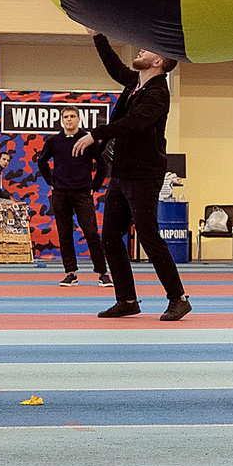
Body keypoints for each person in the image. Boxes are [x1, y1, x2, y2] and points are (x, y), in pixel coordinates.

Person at [83, 32, 189, 321]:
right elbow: (113, 66)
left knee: (149, 236)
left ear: (157, 62)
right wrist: (98, 37)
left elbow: (134, 123)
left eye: (147, 50)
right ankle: (127, 299)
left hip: (144, 174)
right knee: (110, 238)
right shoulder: (134, 83)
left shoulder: (158, 94)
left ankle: (178, 298)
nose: (140, 50)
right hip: (122, 173)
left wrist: (96, 134)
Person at [40, 107, 107, 285]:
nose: (69, 120)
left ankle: (102, 273)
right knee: (64, 233)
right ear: (62, 120)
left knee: (91, 232)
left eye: (72, 117)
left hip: (83, 192)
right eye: (66, 117)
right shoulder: (54, 141)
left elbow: (103, 164)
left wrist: (94, 186)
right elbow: (41, 161)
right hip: (60, 193)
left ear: (79, 119)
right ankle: (71, 273)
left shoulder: (89, 140)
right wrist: (51, 182)